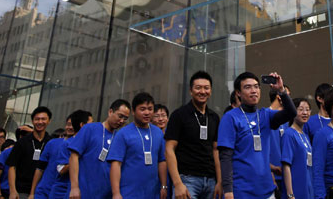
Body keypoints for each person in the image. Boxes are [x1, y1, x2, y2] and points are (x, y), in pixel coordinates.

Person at [217, 71, 296, 199]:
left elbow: (291, 113)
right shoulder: (230, 118)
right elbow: (225, 157)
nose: (254, 90)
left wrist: (281, 90)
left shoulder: (265, 115)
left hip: (267, 192)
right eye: (247, 87)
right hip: (241, 191)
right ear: (238, 93)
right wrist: (228, 191)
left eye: (256, 86)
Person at [165, 71, 222, 199]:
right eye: (198, 87)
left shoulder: (214, 117)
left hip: (211, 181)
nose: (202, 91)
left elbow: (216, 150)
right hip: (187, 180)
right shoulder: (179, 115)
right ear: (191, 91)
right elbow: (169, 149)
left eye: (206, 88)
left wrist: (219, 181)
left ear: (211, 91)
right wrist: (178, 183)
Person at [108, 92, 168, 199]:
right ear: (133, 111)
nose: (147, 112)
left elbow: (162, 161)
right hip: (129, 193)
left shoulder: (158, 133)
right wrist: (116, 193)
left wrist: (163, 186)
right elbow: (116, 164)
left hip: (153, 193)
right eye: (142, 109)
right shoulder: (123, 133)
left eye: (150, 109)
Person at [68, 99, 131, 199]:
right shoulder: (90, 128)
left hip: (105, 193)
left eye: (125, 118)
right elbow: (73, 156)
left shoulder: (120, 137)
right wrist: (74, 187)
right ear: (110, 112)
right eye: (120, 116)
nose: (122, 121)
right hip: (82, 192)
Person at [6, 106, 52, 199]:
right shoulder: (22, 142)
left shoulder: (51, 142)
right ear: (32, 121)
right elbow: (12, 166)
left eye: (43, 119)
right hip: (21, 190)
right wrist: (13, 190)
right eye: (37, 119)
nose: (40, 122)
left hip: (42, 191)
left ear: (49, 121)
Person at [47, 111, 91, 199]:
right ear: (82, 125)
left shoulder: (89, 144)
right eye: (90, 124)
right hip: (62, 192)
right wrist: (76, 160)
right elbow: (61, 169)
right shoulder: (67, 144)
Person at [31, 122, 74, 199]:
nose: (70, 127)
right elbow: (40, 168)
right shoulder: (52, 143)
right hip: (44, 191)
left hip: (63, 192)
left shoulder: (84, 148)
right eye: (68, 124)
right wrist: (32, 193)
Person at [281, 98, 313, 199]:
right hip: (296, 190)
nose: (305, 113)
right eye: (300, 109)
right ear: (293, 111)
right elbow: (286, 166)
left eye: (307, 110)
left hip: (308, 189)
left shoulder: (305, 135)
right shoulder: (289, 134)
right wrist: (290, 194)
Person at [268, 85, 291, 198]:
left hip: (287, 176)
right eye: (287, 95)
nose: (289, 99)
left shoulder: (288, 120)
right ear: (279, 97)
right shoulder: (265, 116)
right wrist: (271, 173)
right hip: (272, 176)